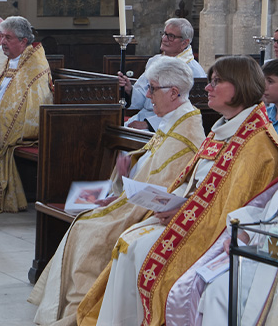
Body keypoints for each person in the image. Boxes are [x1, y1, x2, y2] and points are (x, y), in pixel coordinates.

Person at [77, 55, 278, 326]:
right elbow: (194, 181)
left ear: (239, 85)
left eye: (216, 82)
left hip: (213, 233)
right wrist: (173, 203)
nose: (208, 88)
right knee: (129, 242)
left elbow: (232, 204)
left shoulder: (257, 144)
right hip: (188, 213)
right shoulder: (224, 128)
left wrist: (182, 209)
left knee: (140, 250)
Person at [28, 56, 206, 326]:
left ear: (173, 92)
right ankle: (73, 310)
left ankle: (83, 314)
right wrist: (126, 173)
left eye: (152, 88)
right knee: (84, 226)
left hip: (146, 212)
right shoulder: (174, 120)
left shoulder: (187, 132)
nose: (147, 95)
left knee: (90, 234)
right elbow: (151, 165)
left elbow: (166, 184)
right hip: (131, 200)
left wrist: (125, 188)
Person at [170, 79, 278, 326]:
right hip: (267, 240)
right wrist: (244, 231)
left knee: (220, 293)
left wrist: (253, 242)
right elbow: (269, 205)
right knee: (206, 284)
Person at [0, 16, 53, 213]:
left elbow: (29, 111)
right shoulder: (13, 60)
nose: (3, 42)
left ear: (23, 41)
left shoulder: (34, 67)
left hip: (19, 128)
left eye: (8, 38)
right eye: (2, 36)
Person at [117, 18, 206, 131]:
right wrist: (129, 90)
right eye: (164, 34)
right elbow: (141, 97)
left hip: (167, 126)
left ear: (185, 42)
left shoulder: (193, 71)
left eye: (171, 36)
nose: (164, 39)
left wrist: (148, 124)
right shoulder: (154, 61)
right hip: (143, 116)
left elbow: (187, 111)